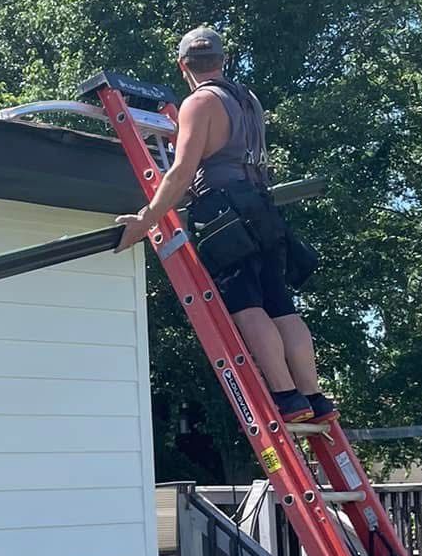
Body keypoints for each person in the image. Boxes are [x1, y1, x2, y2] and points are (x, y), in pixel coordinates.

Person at [117, 25, 334, 425]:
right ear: (221, 61)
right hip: (263, 206)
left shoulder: (198, 104)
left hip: (224, 213)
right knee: (280, 305)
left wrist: (146, 220)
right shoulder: (247, 100)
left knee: (247, 305)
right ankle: (314, 397)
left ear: (184, 66)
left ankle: (286, 397)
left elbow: (182, 171)